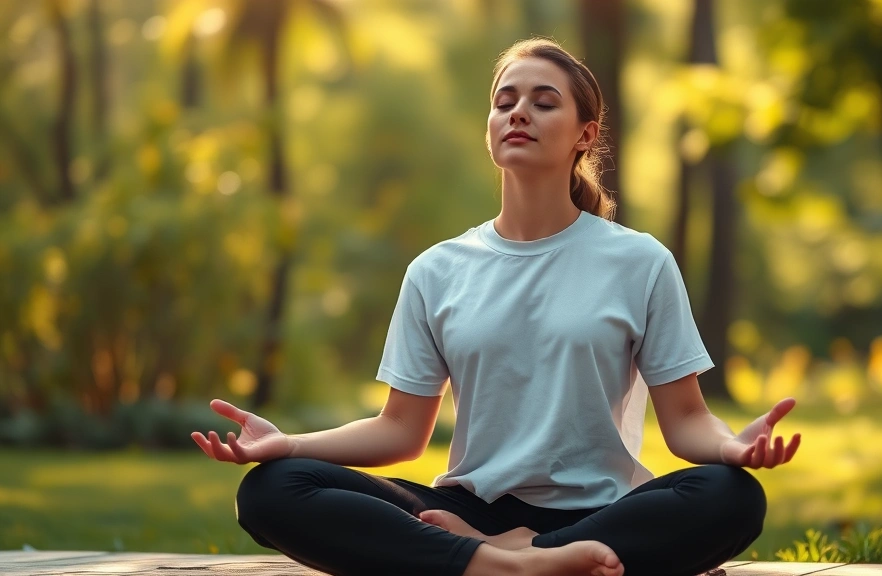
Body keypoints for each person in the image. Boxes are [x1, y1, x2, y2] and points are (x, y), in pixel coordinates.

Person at [192, 37, 801, 576]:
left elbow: (686, 420)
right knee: (271, 490)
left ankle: (503, 556)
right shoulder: (437, 270)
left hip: (598, 510)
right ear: (490, 126)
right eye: (505, 100)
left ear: (585, 135)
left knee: (733, 497)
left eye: (543, 102)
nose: (518, 112)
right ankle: (509, 564)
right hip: (466, 507)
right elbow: (400, 430)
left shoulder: (639, 262)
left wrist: (731, 449)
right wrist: (289, 445)